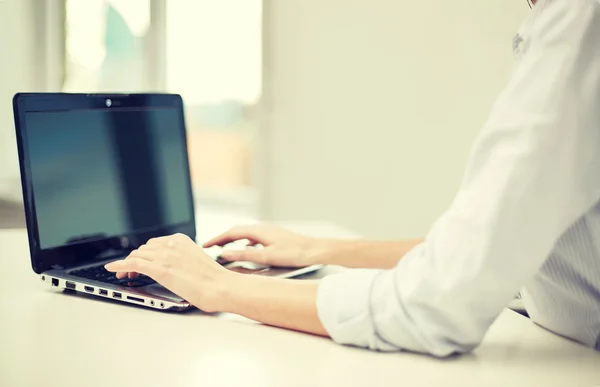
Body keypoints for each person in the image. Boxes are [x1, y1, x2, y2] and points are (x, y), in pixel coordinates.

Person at [106, 0, 600, 356]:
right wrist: (317, 251)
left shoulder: (581, 21)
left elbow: (434, 306)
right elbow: (490, 251)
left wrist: (218, 287)